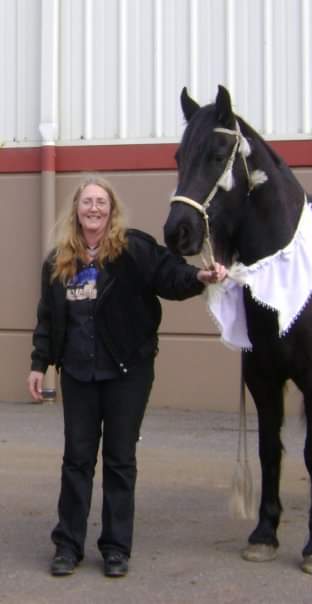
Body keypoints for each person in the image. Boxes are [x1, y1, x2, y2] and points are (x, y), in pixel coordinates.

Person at [27, 175, 227, 578]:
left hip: (127, 373)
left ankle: (116, 548)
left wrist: (199, 278)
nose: (94, 209)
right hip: (78, 373)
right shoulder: (58, 261)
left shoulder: (133, 249)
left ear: (111, 210)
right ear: (76, 210)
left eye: (101, 202)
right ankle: (67, 546)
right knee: (77, 460)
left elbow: (170, 276)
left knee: (120, 460)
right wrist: (39, 363)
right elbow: (48, 318)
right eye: (87, 202)